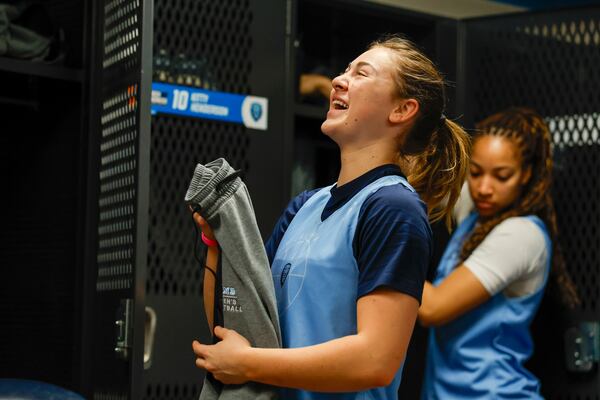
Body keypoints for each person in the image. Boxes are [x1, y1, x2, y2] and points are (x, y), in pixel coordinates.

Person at [191, 34, 470, 399]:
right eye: (345, 70)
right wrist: (217, 241)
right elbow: (238, 318)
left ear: (402, 110)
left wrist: (248, 364)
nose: (339, 80)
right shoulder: (305, 206)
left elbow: (376, 360)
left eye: (362, 73)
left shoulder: (393, 208)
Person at [419, 107, 580, 399]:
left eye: (502, 176)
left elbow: (432, 309)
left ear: (526, 174)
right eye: (476, 172)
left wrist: (383, 253)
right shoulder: (474, 213)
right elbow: (419, 183)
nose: (484, 188)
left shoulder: (520, 234)